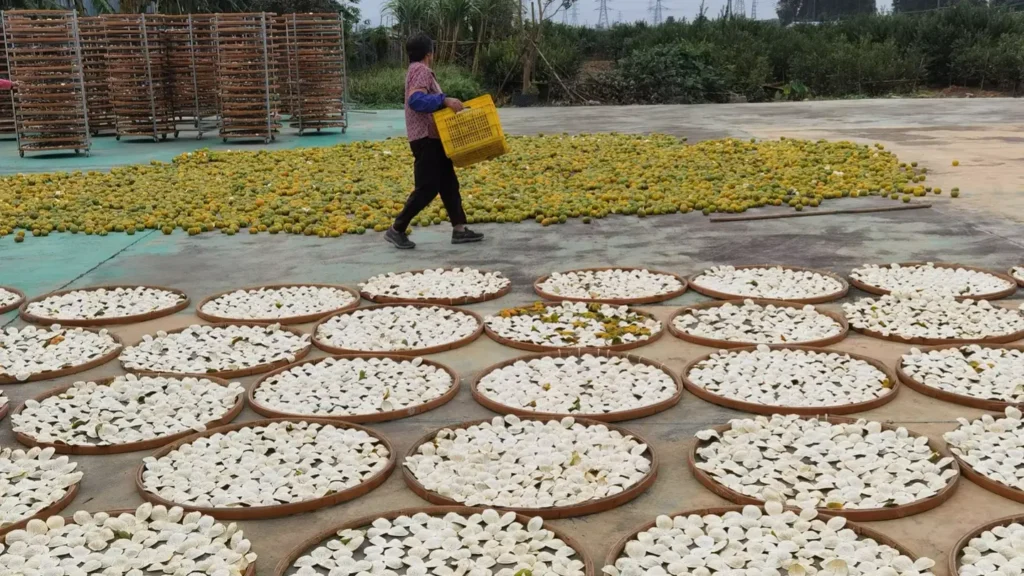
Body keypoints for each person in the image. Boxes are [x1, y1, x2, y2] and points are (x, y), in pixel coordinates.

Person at [385, 33, 484, 250]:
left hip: (433, 138)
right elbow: (416, 100)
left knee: (448, 183)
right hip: (425, 138)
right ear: (429, 52)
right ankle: (397, 229)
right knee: (427, 188)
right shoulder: (420, 70)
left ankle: (459, 229)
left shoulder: (414, 70)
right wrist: (444, 99)